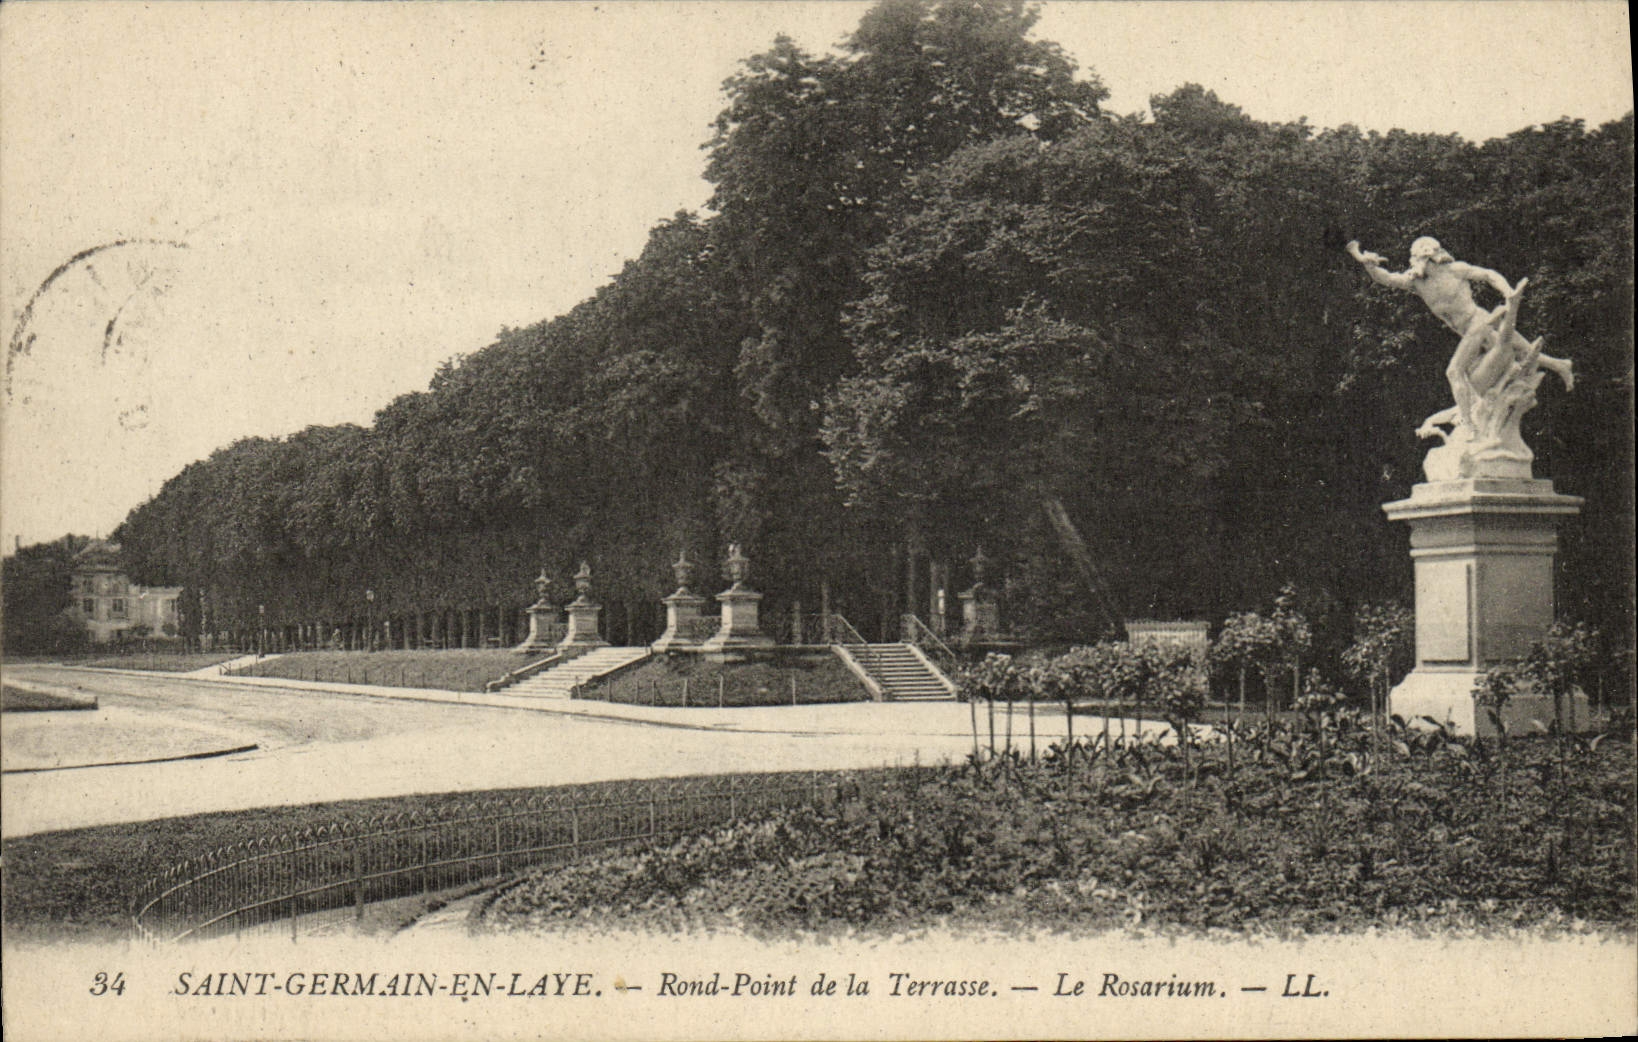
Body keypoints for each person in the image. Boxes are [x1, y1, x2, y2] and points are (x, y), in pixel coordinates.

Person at [1348, 237, 1572, 432]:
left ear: (1429, 258)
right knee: (1520, 352)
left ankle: (1467, 424)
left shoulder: (1455, 270)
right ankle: (1560, 365)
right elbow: (1387, 279)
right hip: (1470, 331)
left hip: (1478, 322)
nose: (1415, 265)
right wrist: (1369, 265)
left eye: (1418, 259)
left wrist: (1507, 291)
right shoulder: (1417, 283)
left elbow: (1488, 275)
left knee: (1455, 371)